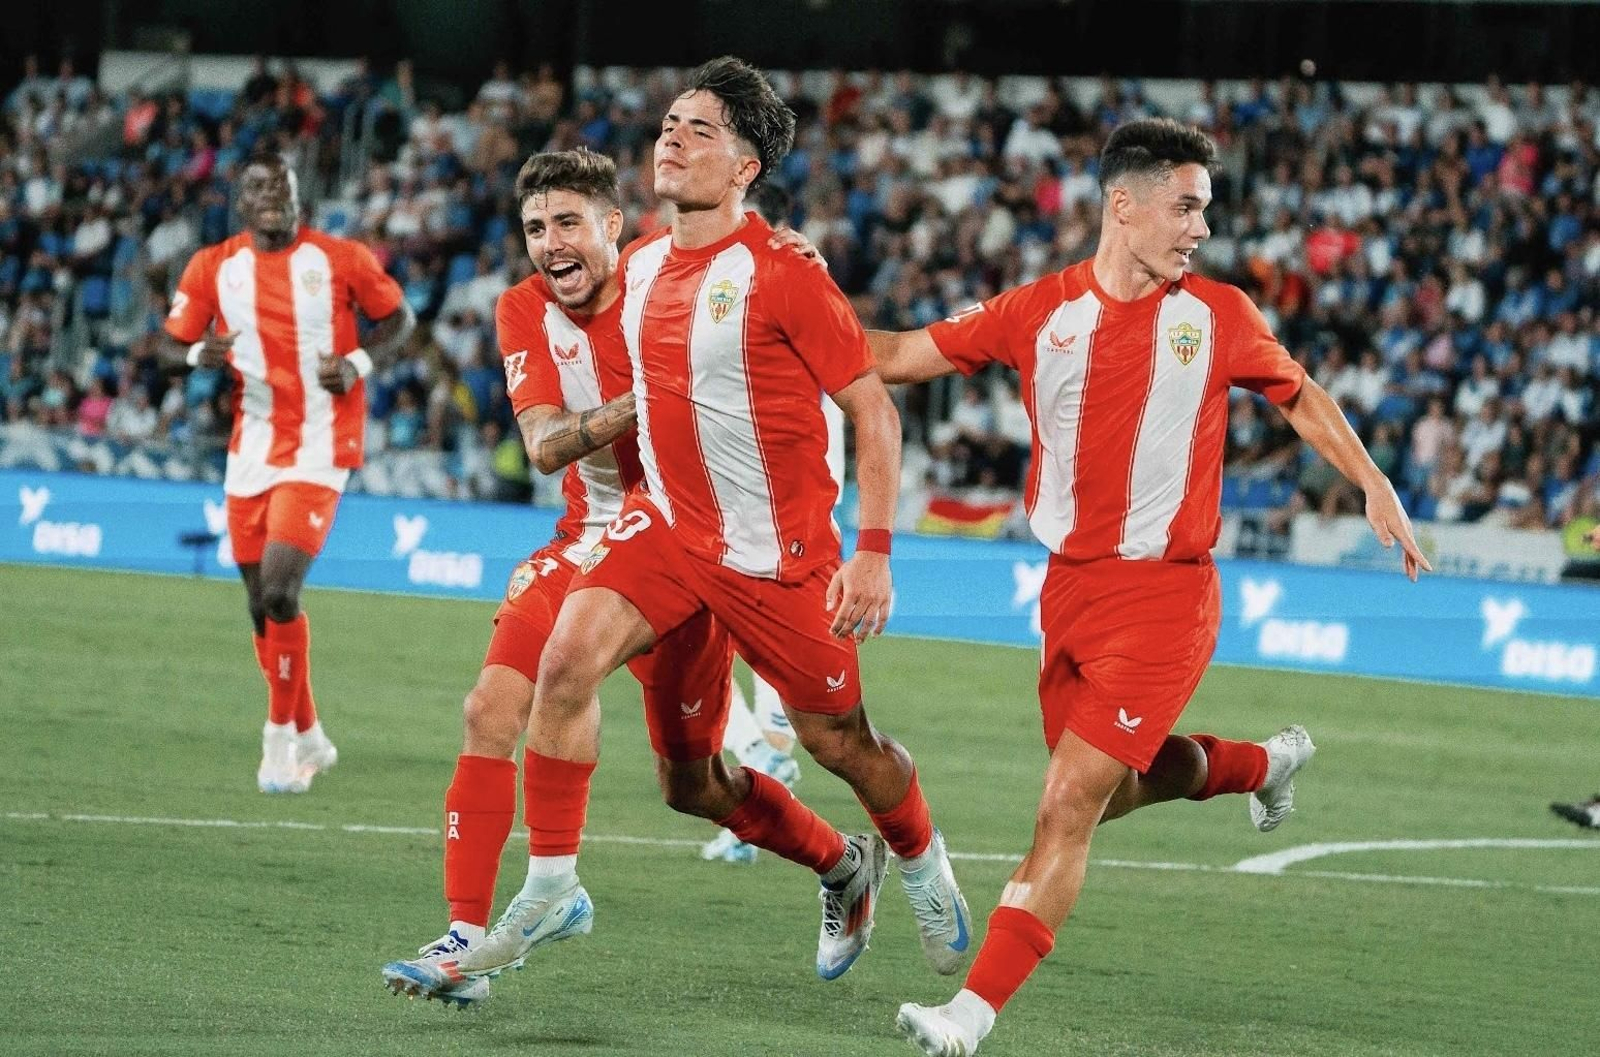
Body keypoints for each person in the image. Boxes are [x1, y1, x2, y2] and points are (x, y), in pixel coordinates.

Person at [873, 118, 1429, 1056]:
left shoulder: (1216, 315)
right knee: (1113, 791)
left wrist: (1371, 479)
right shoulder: (1036, 313)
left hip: (1169, 596)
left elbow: (1297, 394)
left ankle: (968, 1017)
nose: (1199, 227)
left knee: (1064, 804)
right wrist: (789, 307)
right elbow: (892, 357)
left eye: (1204, 209)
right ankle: (1261, 764)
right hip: (1068, 595)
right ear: (1122, 207)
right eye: (1185, 206)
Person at [451, 56, 969, 989]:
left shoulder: (785, 275)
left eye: (701, 131)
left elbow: (876, 412)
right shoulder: (642, 264)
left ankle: (922, 860)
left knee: (838, 741)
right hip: (671, 530)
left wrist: (877, 554)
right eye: (669, 125)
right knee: (565, 669)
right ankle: (553, 883)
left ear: (744, 169)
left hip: (781, 555)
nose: (672, 139)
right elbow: (580, 342)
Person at [379, 148, 825, 1006]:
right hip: (585, 535)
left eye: (569, 222)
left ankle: (839, 861)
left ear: (615, 226)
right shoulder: (521, 310)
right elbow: (545, 444)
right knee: (488, 707)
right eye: (536, 228)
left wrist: (796, 255)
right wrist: (649, 398)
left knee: (692, 786)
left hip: (683, 538)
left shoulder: (671, 274)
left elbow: (756, 270)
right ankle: (472, 935)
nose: (551, 243)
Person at [164, 150, 414, 794]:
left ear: (300, 196)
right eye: (258, 186)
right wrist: (198, 353)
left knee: (278, 590)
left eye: (283, 184)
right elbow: (171, 344)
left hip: (322, 444)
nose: (272, 194)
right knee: (257, 605)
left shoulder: (342, 258)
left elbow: (400, 319)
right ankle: (311, 734)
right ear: (239, 201)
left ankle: (278, 744)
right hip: (249, 449)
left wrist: (358, 361)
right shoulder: (213, 267)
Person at [699, 179, 841, 865]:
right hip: (771, 493)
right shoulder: (785, 277)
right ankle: (759, 771)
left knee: (707, 631)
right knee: (726, 642)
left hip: (776, 494)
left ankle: (759, 760)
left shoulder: (785, 275)